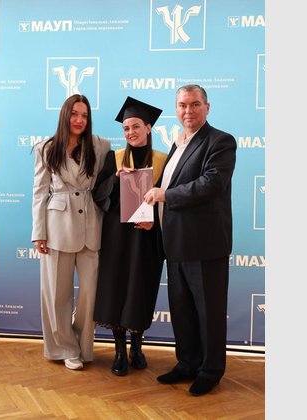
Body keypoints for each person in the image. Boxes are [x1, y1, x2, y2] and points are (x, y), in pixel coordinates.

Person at [143, 85, 237, 396]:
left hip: (205, 245)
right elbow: (166, 182)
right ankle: (187, 363)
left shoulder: (220, 141)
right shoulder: (178, 142)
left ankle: (210, 371)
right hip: (176, 243)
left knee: (209, 313)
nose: (188, 111)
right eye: (182, 105)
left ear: (207, 107)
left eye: (195, 104)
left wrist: (165, 195)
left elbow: (211, 184)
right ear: (176, 109)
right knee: (182, 311)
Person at [31, 94, 111, 370]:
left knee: (90, 294)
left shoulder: (100, 146)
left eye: (85, 115)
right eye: (75, 114)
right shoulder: (46, 148)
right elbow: (39, 192)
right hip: (57, 227)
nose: (79, 120)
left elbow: (107, 183)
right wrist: (39, 232)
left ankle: (83, 347)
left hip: (91, 225)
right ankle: (65, 348)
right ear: (65, 115)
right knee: (57, 293)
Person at [92, 96, 167, 376]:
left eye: (136, 126)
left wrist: (154, 221)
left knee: (140, 288)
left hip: (146, 236)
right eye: (126, 128)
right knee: (117, 288)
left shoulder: (163, 160)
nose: (131, 132)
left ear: (148, 127)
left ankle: (137, 347)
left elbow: (169, 199)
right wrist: (115, 178)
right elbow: (98, 194)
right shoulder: (113, 158)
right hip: (117, 236)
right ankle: (120, 352)